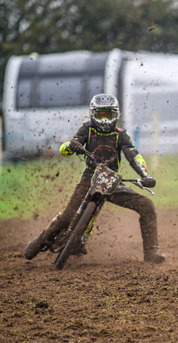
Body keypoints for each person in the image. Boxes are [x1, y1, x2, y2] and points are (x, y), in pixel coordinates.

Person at [24, 94, 165, 263]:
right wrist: (71, 145)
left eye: (108, 115)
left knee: (146, 205)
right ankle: (40, 240)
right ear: (93, 114)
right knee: (67, 216)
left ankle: (151, 252)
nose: (104, 120)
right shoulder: (87, 129)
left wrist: (145, 175)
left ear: (116, 115)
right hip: (89, 177)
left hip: (112, 181)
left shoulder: (121, 135)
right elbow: (65, 149)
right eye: (100, 115)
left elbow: (133, 155)